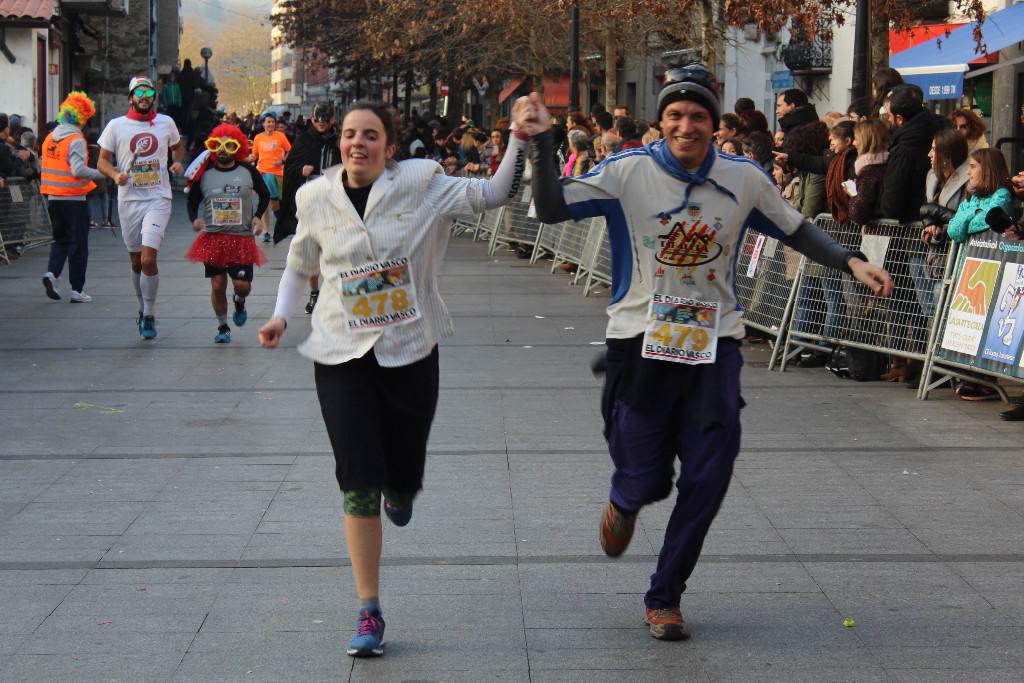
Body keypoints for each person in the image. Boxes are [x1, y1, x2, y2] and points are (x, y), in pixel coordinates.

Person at [518, 64, 892, 641]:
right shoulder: (627, 171)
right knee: (645, 478)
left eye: (697, 116)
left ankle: (665, 595)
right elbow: (550, 209)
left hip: (715, 343)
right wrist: (543, 144)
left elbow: (793, 227)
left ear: (714, 124)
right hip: (641, 340)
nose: (686, 126)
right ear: (661, 120)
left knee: (709, 475)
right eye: (674, 115)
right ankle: (626, 498)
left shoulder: (743, 177)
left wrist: (851, 261)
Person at [257, 100, 532, 658]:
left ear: (389, 144)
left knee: (401, 474)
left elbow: (494, 194)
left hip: (409, 349)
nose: (358, 143)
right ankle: (369, 609)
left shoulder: (423, 184)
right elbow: (299, 264)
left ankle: (400, 490)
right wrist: (281, 315)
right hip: (340, 350)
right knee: (357, 477)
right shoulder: (316, 196)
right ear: (340, 141)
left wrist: (520, 140)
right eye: (350, 134)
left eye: (371, 135)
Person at [97, 76, 185, 339]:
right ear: (131, 97)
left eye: (149, 93)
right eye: (139, 93)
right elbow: (102, 161)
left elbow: (178, 148)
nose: (145, 97)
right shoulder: (116, 126)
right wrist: (115, 175)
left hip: (158, 197)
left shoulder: (166, 122)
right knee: (136, 261)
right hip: (129, 200)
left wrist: (177, 162)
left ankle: (149, 313)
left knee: (148, 259)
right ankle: (141, 306)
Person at [186, 124, 270, 343]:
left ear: (237, 147)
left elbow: (265, 194)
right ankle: (223, 327)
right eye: (218, 145)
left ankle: (239, 301)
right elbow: (192, 200)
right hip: (214, 238)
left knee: (243, 286)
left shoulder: (248, 171)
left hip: (241, 238)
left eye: (229, 145)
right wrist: (194, 219)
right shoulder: (205, 174)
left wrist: (257, 216)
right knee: (218, 284)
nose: (223, 150)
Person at [946, 148, 1016, 401]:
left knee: (986, 325)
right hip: (969, 269)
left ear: (987, 169)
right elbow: (954, 230)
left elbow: (986, 220)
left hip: (992, 268)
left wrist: (970, 217)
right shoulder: (971, 198)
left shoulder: (1002, 195)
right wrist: (971, 215)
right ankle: (970, 376)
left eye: (974, 166)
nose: (969, 172)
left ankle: (985, 380)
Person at [39, 92, 106, 303]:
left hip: (53, 198)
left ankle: (52, 273)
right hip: (74, 199)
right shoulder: (76, 139)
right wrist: (103, 173)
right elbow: (78, 170)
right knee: (79, 245)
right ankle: (77, 290)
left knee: (60, 240)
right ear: (82, 116)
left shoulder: (50, 138)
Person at [275, 103, 340, 314]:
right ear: (312, 120)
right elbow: (290, 166)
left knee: (332, 252)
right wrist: (301, 169)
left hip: (335, 202)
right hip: (310, 203)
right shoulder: (304, 139)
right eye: (317, 120)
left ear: (332, 120)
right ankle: (315, 292)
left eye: (325, 120)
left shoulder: (339, 141)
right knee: (312, 250)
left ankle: (332, 293)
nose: (321, 123)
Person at [879, 84, 937, 222]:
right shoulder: (933, 130)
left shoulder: (903, 151)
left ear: (899, 118)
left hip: (907, 223)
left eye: (889, 115)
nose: (888, 119)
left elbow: (892, 203)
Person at [251, 113, 292, 242]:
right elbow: (254, 155)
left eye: (273, 122)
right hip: (262, 173)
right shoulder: (258, 138)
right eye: (268, 122)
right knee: (264, 202)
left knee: (274, 204)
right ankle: (266, 231)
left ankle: (282, 221)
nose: (271, 124)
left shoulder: (280, 136)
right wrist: (243, 159)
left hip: (277, 174)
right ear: (263, 123)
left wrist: (282, 160)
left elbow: (290, 150)